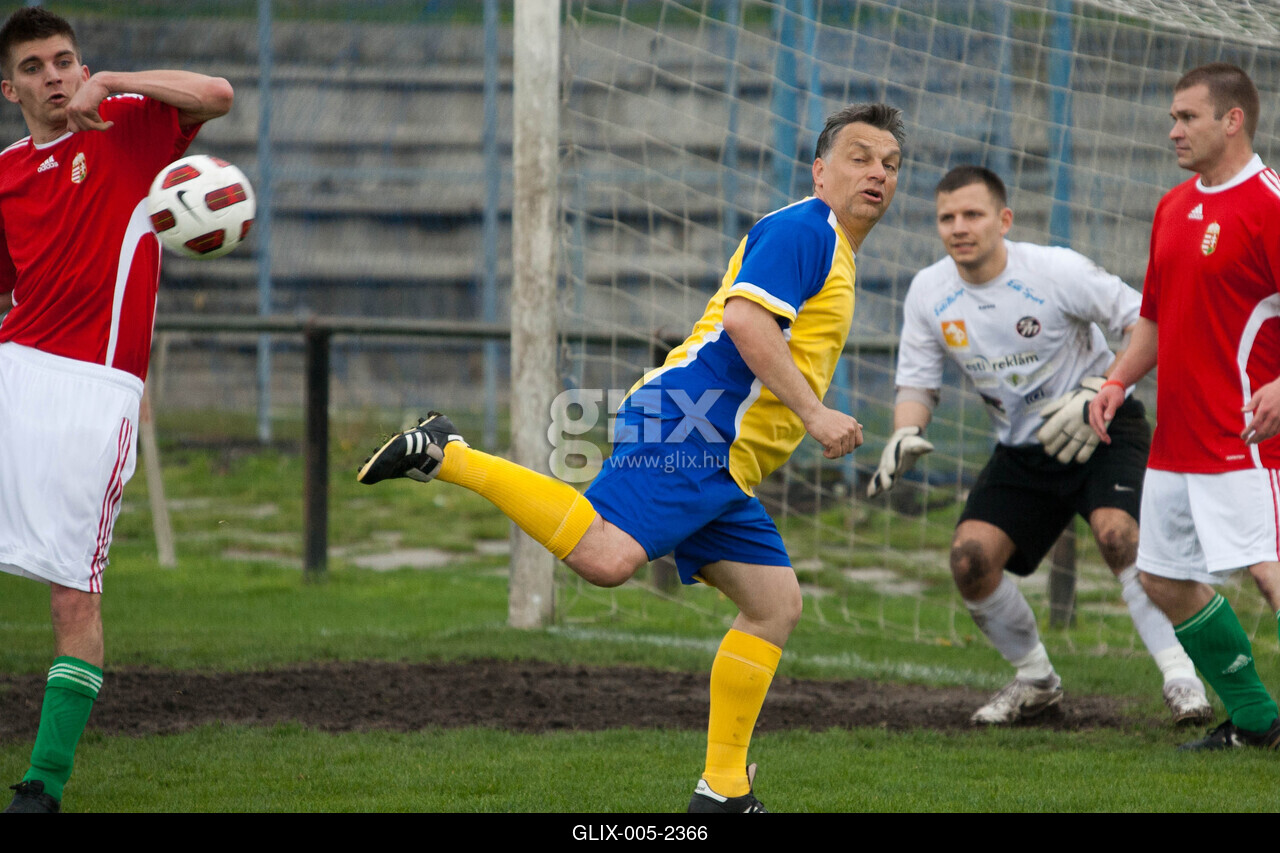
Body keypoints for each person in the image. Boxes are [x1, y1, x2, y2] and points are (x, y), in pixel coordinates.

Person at [358, 103, 904, 812]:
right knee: (608, 558)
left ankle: (723, 792)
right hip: (692, 424)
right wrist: (814, 412)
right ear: (820, 171)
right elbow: (745, 321)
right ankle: (448, 452)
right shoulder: (806, 229)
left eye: (890, 164)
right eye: (860, 157)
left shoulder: (833, 247)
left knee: (773, 605)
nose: (877, 173)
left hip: (724, 461)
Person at [868, 165, 1213, 726]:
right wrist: (907, 431)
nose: (959, 227)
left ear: (1004, 220)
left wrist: (1101, 388)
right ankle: (1036, 683)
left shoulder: (1056, 270)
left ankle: (1182, 681)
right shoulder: (929, 291)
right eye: (947, 218)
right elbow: (917, 382)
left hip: (1104, 426)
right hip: (1024, 448)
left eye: (973, 214)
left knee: (1119, 536)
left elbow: (1147, 321)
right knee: (970, 560)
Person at [0, 8, 233, 812]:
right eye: (34, 67)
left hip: (94, 391)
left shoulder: (127, 124)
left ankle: (42, 787)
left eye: (64, 60)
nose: (54, 76)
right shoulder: (5, 173)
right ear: (10, 89)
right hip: (12, 371)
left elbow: (217, 93)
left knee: (72, 593)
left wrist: (116, 80)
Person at [1089, 63, 1280, 750]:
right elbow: (1155, 318)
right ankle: (1257, 722)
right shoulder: (1173, 207)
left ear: (1233, 120)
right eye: (1172, 117)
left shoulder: (1270, 203)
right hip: (1177, 443)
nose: (1173, 130)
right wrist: (1116, 380)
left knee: (1270, 573)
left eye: (1187, 117)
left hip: (1247, 438)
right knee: (1162, 579)